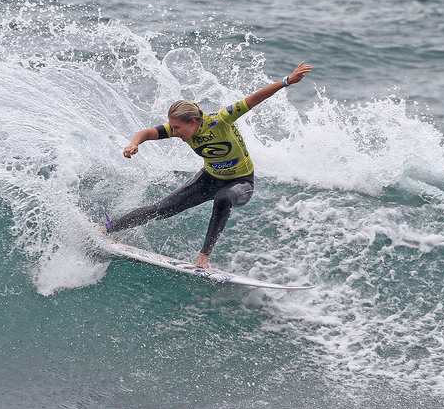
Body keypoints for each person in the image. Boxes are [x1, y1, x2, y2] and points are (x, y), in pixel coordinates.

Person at [103, 62, 312, 268]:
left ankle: (203, 258)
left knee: (223, 198)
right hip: (209, 179)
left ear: (193, 122)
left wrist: (287, 81)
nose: (174, 133)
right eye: (172, 128)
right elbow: (146, 133)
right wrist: (133, 144)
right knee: (161, 209)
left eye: (177, 128)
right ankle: (105, 230)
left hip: (241, 182)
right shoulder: (181, 128)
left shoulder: (221, 120)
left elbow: (254, 99)